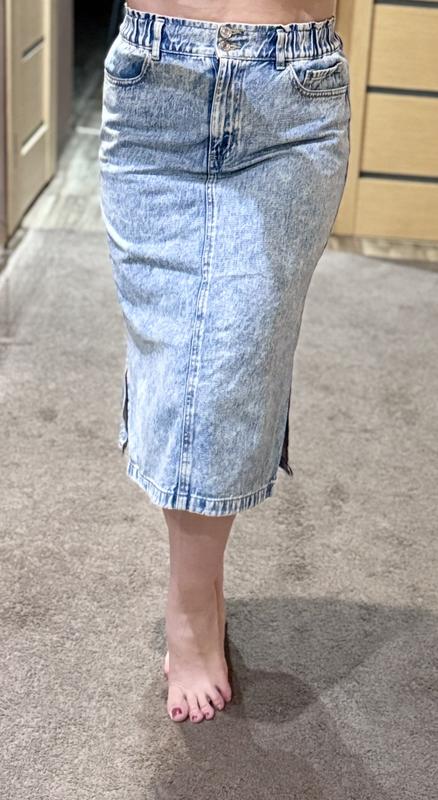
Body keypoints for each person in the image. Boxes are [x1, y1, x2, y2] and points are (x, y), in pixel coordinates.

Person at [99, 0, 349, 724]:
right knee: (176, 358)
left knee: (232, 361)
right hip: (154, 91)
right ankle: (198, 590)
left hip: (291, 99)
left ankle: (190, 601)